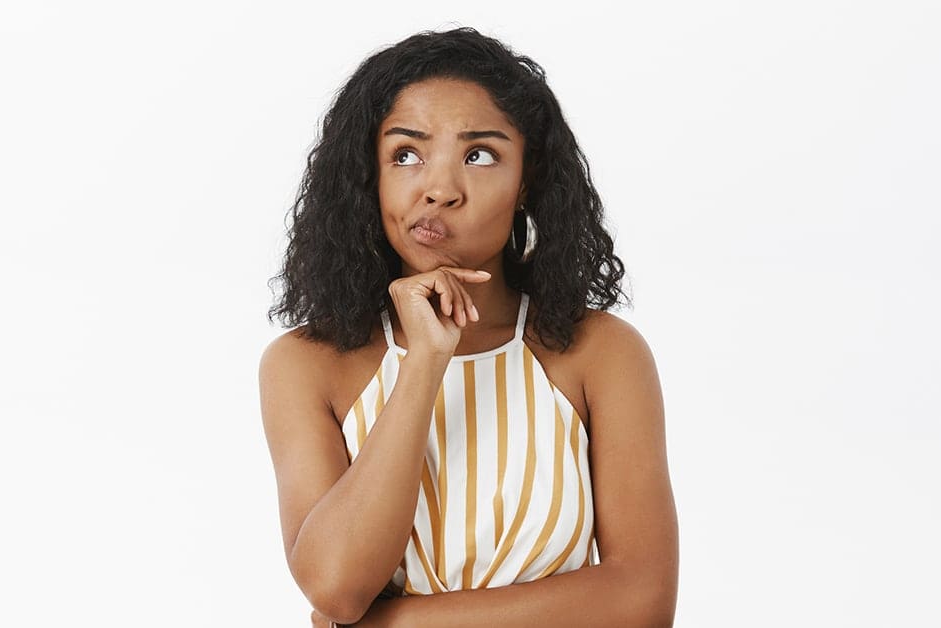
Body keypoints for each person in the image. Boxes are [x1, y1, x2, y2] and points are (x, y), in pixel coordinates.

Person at [260, 26, 678, 627]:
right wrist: (425, 360)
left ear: (526, 179)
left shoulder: (600, 353)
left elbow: (643, 602)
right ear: (367, 177)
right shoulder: (306, 363)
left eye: (479, 155)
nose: (439, 190)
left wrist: (393, 623)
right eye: (406, 153)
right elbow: (336, 585)